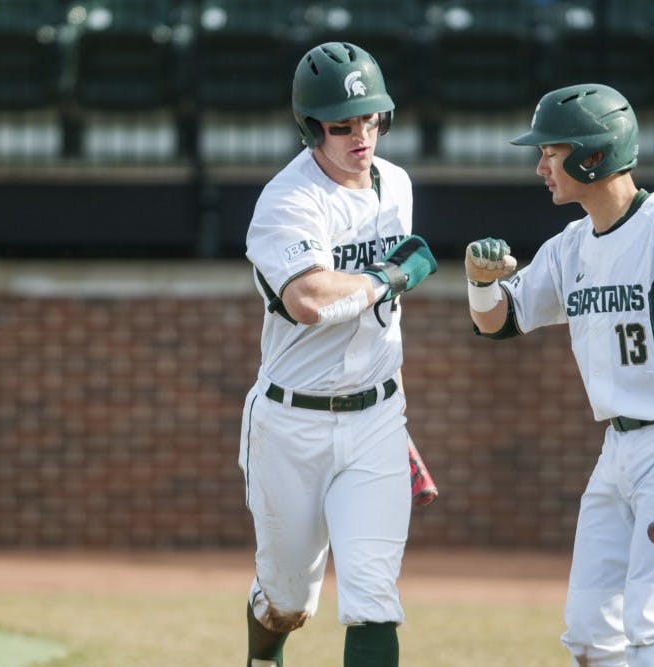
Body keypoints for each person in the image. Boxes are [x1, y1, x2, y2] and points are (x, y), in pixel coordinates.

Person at [464, 83, 654, 667]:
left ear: (592, 155)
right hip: (619, 447)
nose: (539, 167)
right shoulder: (571, 245)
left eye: (550, 153)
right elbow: (499, 322)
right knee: (588, 633)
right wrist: (480, 282)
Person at [238, 42, 437, 667]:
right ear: (310, 128)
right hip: (290, 421)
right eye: (342, 124)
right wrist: (390, 277)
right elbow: (310, 298)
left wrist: (400, 421)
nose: (361, 135)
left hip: (377, 417)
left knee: (373, 594)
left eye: (371, 119)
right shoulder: (288, 199)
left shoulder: (396, 185)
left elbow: (383, 320)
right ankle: (262, 656)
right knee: (287, 598)